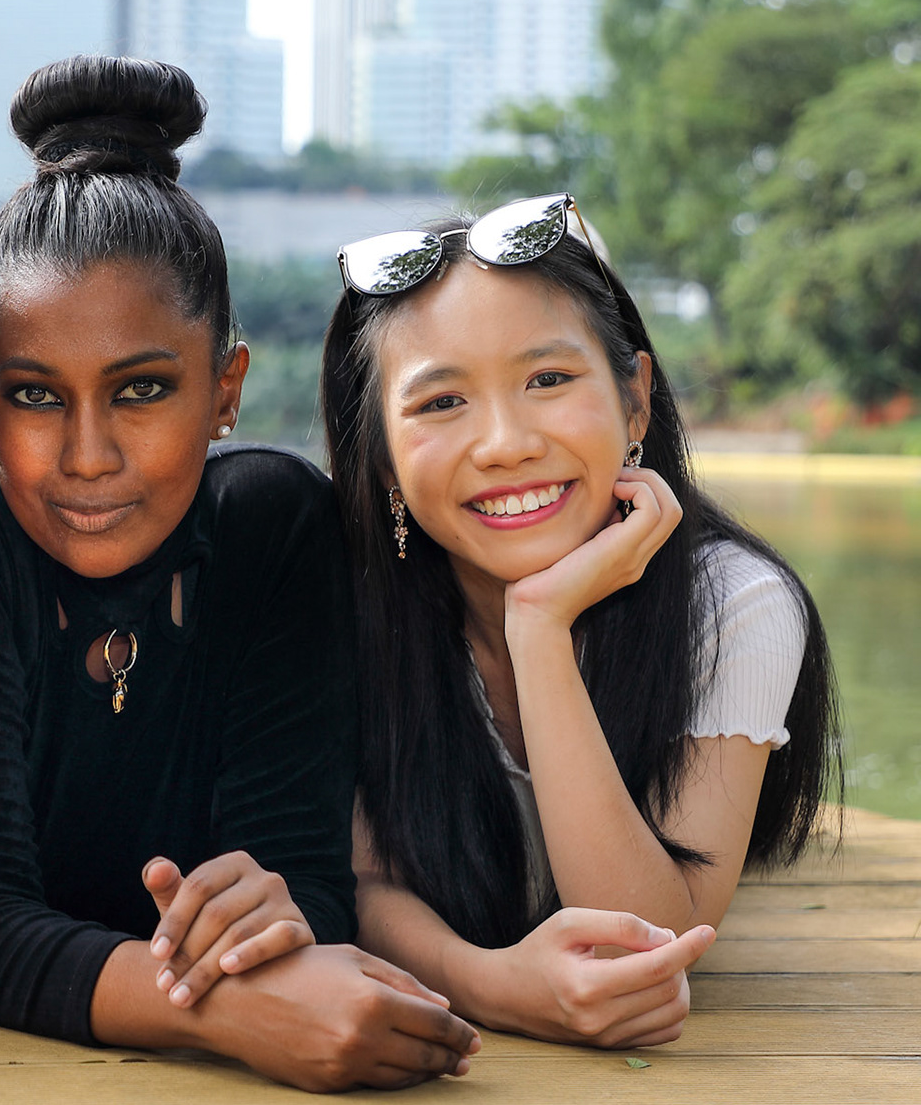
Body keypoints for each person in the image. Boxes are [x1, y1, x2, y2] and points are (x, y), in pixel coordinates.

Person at [0, 56, 482, 1093]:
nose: (89, 454)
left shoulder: (276, 526)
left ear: (226, 388)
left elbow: (307, 879)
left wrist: (268, 915)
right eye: (36, 396)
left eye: (141, 389)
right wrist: (223, 1008)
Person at [314, 195, 839, 1047]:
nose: (506, 443)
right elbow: (363, 878)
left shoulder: (735, 605)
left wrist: (540, 630)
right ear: (378, 454)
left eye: (548, 381)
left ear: (636, 402)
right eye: (440, 402)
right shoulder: (350, 597)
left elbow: (644, 940)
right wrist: (487, 983)